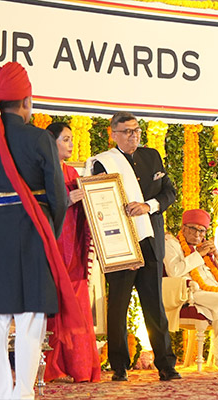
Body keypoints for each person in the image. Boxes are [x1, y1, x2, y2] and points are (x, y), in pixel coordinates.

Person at [0, 62, 71, 400]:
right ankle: (22, 394)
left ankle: (0, 392)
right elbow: (58, 196)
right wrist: (51, 231)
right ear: (26, 101)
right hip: (34, 231)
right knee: (31, 316)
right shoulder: (39, 138)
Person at [86, 111, 180, 381]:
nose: (133, 136)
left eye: (136, 130)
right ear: (113, 134)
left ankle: (166, 365)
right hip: (121, 243)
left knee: (155, 306)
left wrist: (148, 206)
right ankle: (119, 366)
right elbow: (101, 203)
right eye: (127, 131)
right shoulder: (103, 163)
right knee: (118, 305)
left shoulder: (152, 156)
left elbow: (169, 192)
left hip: (150, 240)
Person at [43, 122, 101, 382]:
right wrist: (67, 200)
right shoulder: (41, 171)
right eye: (65, 139)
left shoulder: (72, 172)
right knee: (55, 305)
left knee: (77, 305)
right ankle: (52, 367)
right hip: (53, 248)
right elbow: (38, 208)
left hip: (74, 247)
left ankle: (80, 367)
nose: (71, 144)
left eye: (72, 139)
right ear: (51, 141)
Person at [164, 209, 218, 360]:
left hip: (212, 290)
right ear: (183, 228)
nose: (197, 234)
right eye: (193, 229)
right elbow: (174, 271)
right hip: (191, 291)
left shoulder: (206, 248)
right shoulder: (171, 244)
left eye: (202, 231)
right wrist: (198, 255)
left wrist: (215, 255)